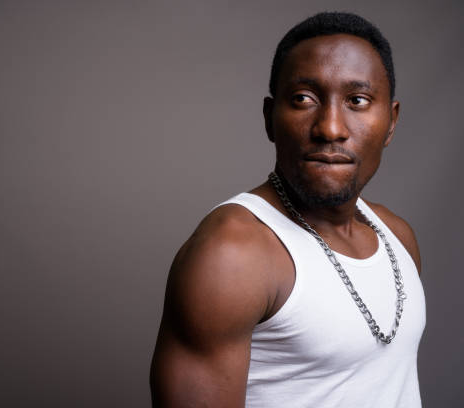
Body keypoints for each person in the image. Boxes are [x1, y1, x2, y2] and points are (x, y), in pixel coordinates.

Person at [150, 11, 426, 407]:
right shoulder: (232, 254)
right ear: (269, 118)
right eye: (303, 99)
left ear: (391, 122)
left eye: (357, 101)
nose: (330, 127)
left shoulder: (398, 237)